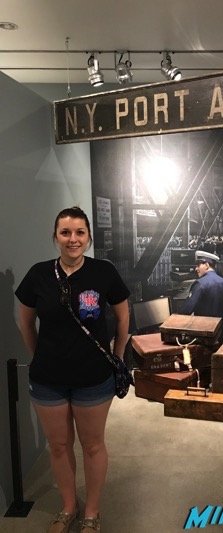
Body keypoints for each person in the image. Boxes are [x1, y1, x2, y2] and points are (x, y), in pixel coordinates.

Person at [15, 206, 130, 533]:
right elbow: (26, 323)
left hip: (93, 378)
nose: (73, 239)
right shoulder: (38, 274)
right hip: (48, 380)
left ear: (89, 237)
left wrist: (118, 356)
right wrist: (39, 356)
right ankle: (68, 506)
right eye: (65, 232)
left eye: (80, 232)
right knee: (59, 446)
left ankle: (91, 511)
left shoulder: (103, 272)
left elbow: (123, 316)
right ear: (55, 237)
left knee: (92, 445)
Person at [182, 250, 223, 340]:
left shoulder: (200, 284)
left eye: (198, 265)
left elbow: (186, 310)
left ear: (206, 265)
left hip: (203, 334)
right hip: (220, 334)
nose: (196, 269)